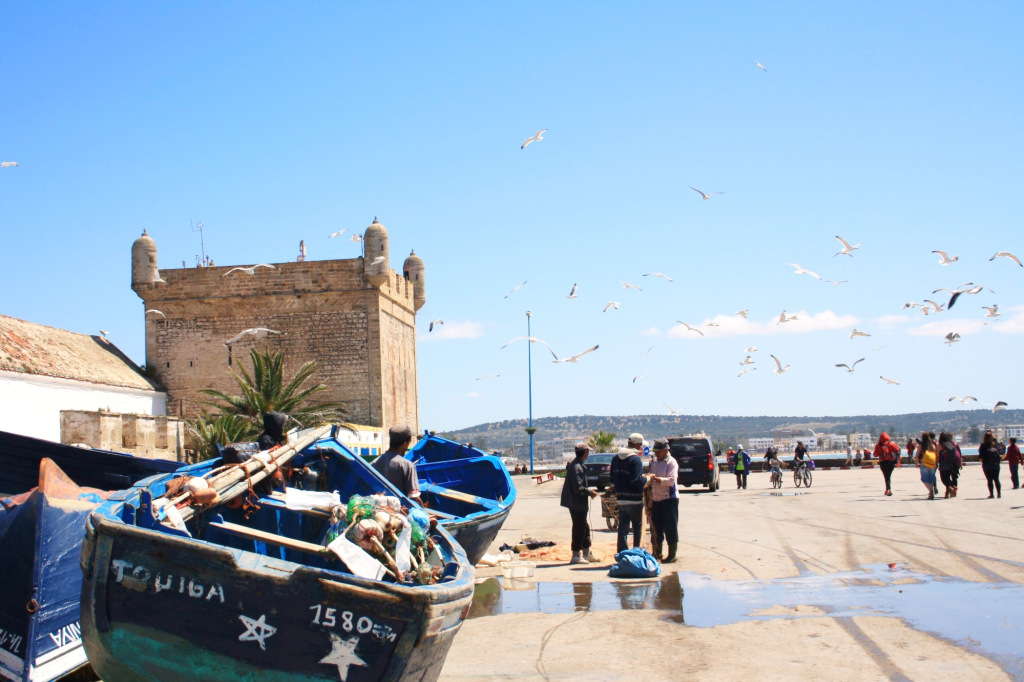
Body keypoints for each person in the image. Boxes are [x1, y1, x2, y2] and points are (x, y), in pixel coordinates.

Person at [560, 443, 599, 564]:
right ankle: (576, 555)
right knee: (579, 528)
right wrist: (590, 492)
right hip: (576, 502)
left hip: (577, 502)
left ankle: (586, 553)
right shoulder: (577, 467)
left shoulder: (577, 465)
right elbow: (578, 488)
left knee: (584, 526)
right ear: (585, 453)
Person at [610, 433, 647, 553]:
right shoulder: (635, 459)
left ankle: (622, 553)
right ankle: (636, 552)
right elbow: (637, 481)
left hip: (621, 499)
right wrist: (648, 479)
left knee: (623, 528)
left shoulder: (615, 458)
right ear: (637, 444)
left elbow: (612, 478)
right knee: (637, 528)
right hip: (635, 500)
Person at [371, 424, 422, 503]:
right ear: (405, 444)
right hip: (400, 512)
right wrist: (425, 513)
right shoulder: (407, 465)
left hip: (378, 510)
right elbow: (414, 498)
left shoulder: (373, 463)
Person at [648, 439, 679, 562]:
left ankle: (672, 555)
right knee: (656, 528)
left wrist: (657, 479)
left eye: (658, 451)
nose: (656, 454)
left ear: (666, 450)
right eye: (655, 452)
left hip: (669, 499)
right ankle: (657, 553)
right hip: (656, 499)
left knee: (670, 528)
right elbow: (650, 476)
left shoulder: (672, 463)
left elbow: (671, 480)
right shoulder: (654, 462)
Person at [873, 432, 900, 496]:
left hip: (883, 463)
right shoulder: (891, 444)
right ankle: (888, 489)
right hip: (891, 462)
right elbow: (898, 451)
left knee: (886, 476)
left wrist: (880, 452)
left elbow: (875, 454)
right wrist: (898, 462)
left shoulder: (878, 446)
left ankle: (888, 490)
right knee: (888, 476)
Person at [978, 430, 1003, 499]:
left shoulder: (983, 445)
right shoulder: (995, 444)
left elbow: (981, 456)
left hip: (987, 465)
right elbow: (1001, 452)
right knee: (996, 479)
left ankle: (991, 494)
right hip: (996, 465)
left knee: (989, 480)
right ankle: (999, 494)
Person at [937, 432, 962, 498]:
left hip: (944, 465)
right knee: (953, 478)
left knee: (944, 479)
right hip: (952, 464)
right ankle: (951, 491)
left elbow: (937, 455)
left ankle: (952, 487)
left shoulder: (940, 445)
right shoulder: (950, 444)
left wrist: (936, 463)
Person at [915, 431, 938, 500]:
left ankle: (930, 491)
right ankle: (931, 490)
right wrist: (936, 464)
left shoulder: (921, 446)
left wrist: (917, 463)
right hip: (932, 464)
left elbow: (917, 456)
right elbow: (935, 456)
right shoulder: (932, 446)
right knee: (931, 479)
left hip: (924, 464)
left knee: (924, 479)